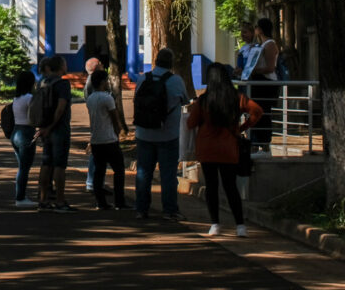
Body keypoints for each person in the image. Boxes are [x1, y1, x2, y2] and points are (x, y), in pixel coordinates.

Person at [187, 63, 262, 236]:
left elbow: (190, 123)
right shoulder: (237, 98)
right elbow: (258, 111)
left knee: (211, 187)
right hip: (229, 148)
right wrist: (242, 128)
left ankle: (215, 224)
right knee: (231, 187)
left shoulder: (204, 100)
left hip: (207, 149)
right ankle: (240, 226)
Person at [133, 47, 191, 220]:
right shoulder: (176, 81)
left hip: (143, 133)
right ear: (171, 63)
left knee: (143, 173)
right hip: (168, 135)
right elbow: (185, 101)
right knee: (168, 175)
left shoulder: (143, 79)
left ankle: (141, 209)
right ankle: (170, 210)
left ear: (156, 61)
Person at [34, 56, 75, 212]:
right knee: (59, 166)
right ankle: (60, 201)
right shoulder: (62, 84)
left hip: (44, 128)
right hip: (59, 129)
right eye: (64, 64)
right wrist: (51, 126)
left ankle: (43, 200)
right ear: (60, 67)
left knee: (46, 164)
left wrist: (44, 127)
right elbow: (60, 108)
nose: (67, 66)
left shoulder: (42, 83)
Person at [85, 69, 128, 210]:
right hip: (109, 139)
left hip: (96, 139)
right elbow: (114, 117)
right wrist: (118, 131)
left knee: (99, 171)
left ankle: (101, 202)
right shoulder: (107, 98)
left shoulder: (90, 98)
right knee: (119, 170)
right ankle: (119, 201)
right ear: (103, 82)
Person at [244, 18, 279, 152]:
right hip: (258, 82)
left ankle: (264, 142)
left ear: (261, 29)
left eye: (257, 27)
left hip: (266, 83)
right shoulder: (261, 44)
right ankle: (255, 141)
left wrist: (254, 70)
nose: (255, 29)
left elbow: (270, 67)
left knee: (263, 112)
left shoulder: (270, 44)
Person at [9, 70, 38, 208]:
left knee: (21, 167)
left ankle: (20, 195)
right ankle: (20, 197)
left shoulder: (17, 98)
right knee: (25, 168)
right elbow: (34, 117)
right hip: (26, 132)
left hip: (15, 131)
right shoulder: (29, 98)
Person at [83, 56, 101, 192]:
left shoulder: (90, 82)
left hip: (96, 120)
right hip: (98, 121)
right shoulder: (93, 83)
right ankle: (91, 182)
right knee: (96, 152)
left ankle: (94, 182)